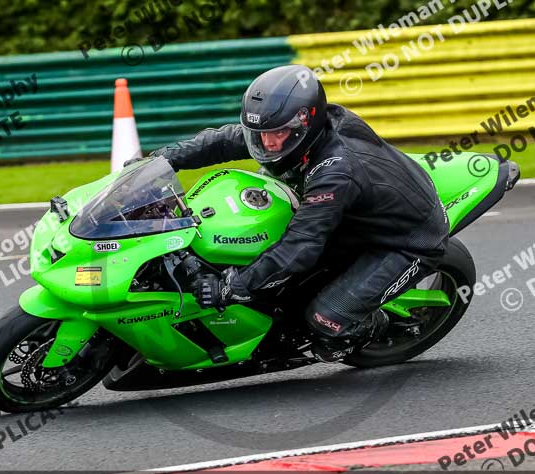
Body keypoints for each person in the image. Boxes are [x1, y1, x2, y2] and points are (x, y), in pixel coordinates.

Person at [147, 64, 450, 363]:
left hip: (405, 241)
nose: (267, 142)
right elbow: (224, 140)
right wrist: (162, 160)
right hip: (357, 218)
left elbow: (300, 247)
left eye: (277, 132)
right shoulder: (293, 133)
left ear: (305, 122)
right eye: (261, 132)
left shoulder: (336, 171)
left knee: (323, 321)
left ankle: (369, 327)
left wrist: (230, 287)